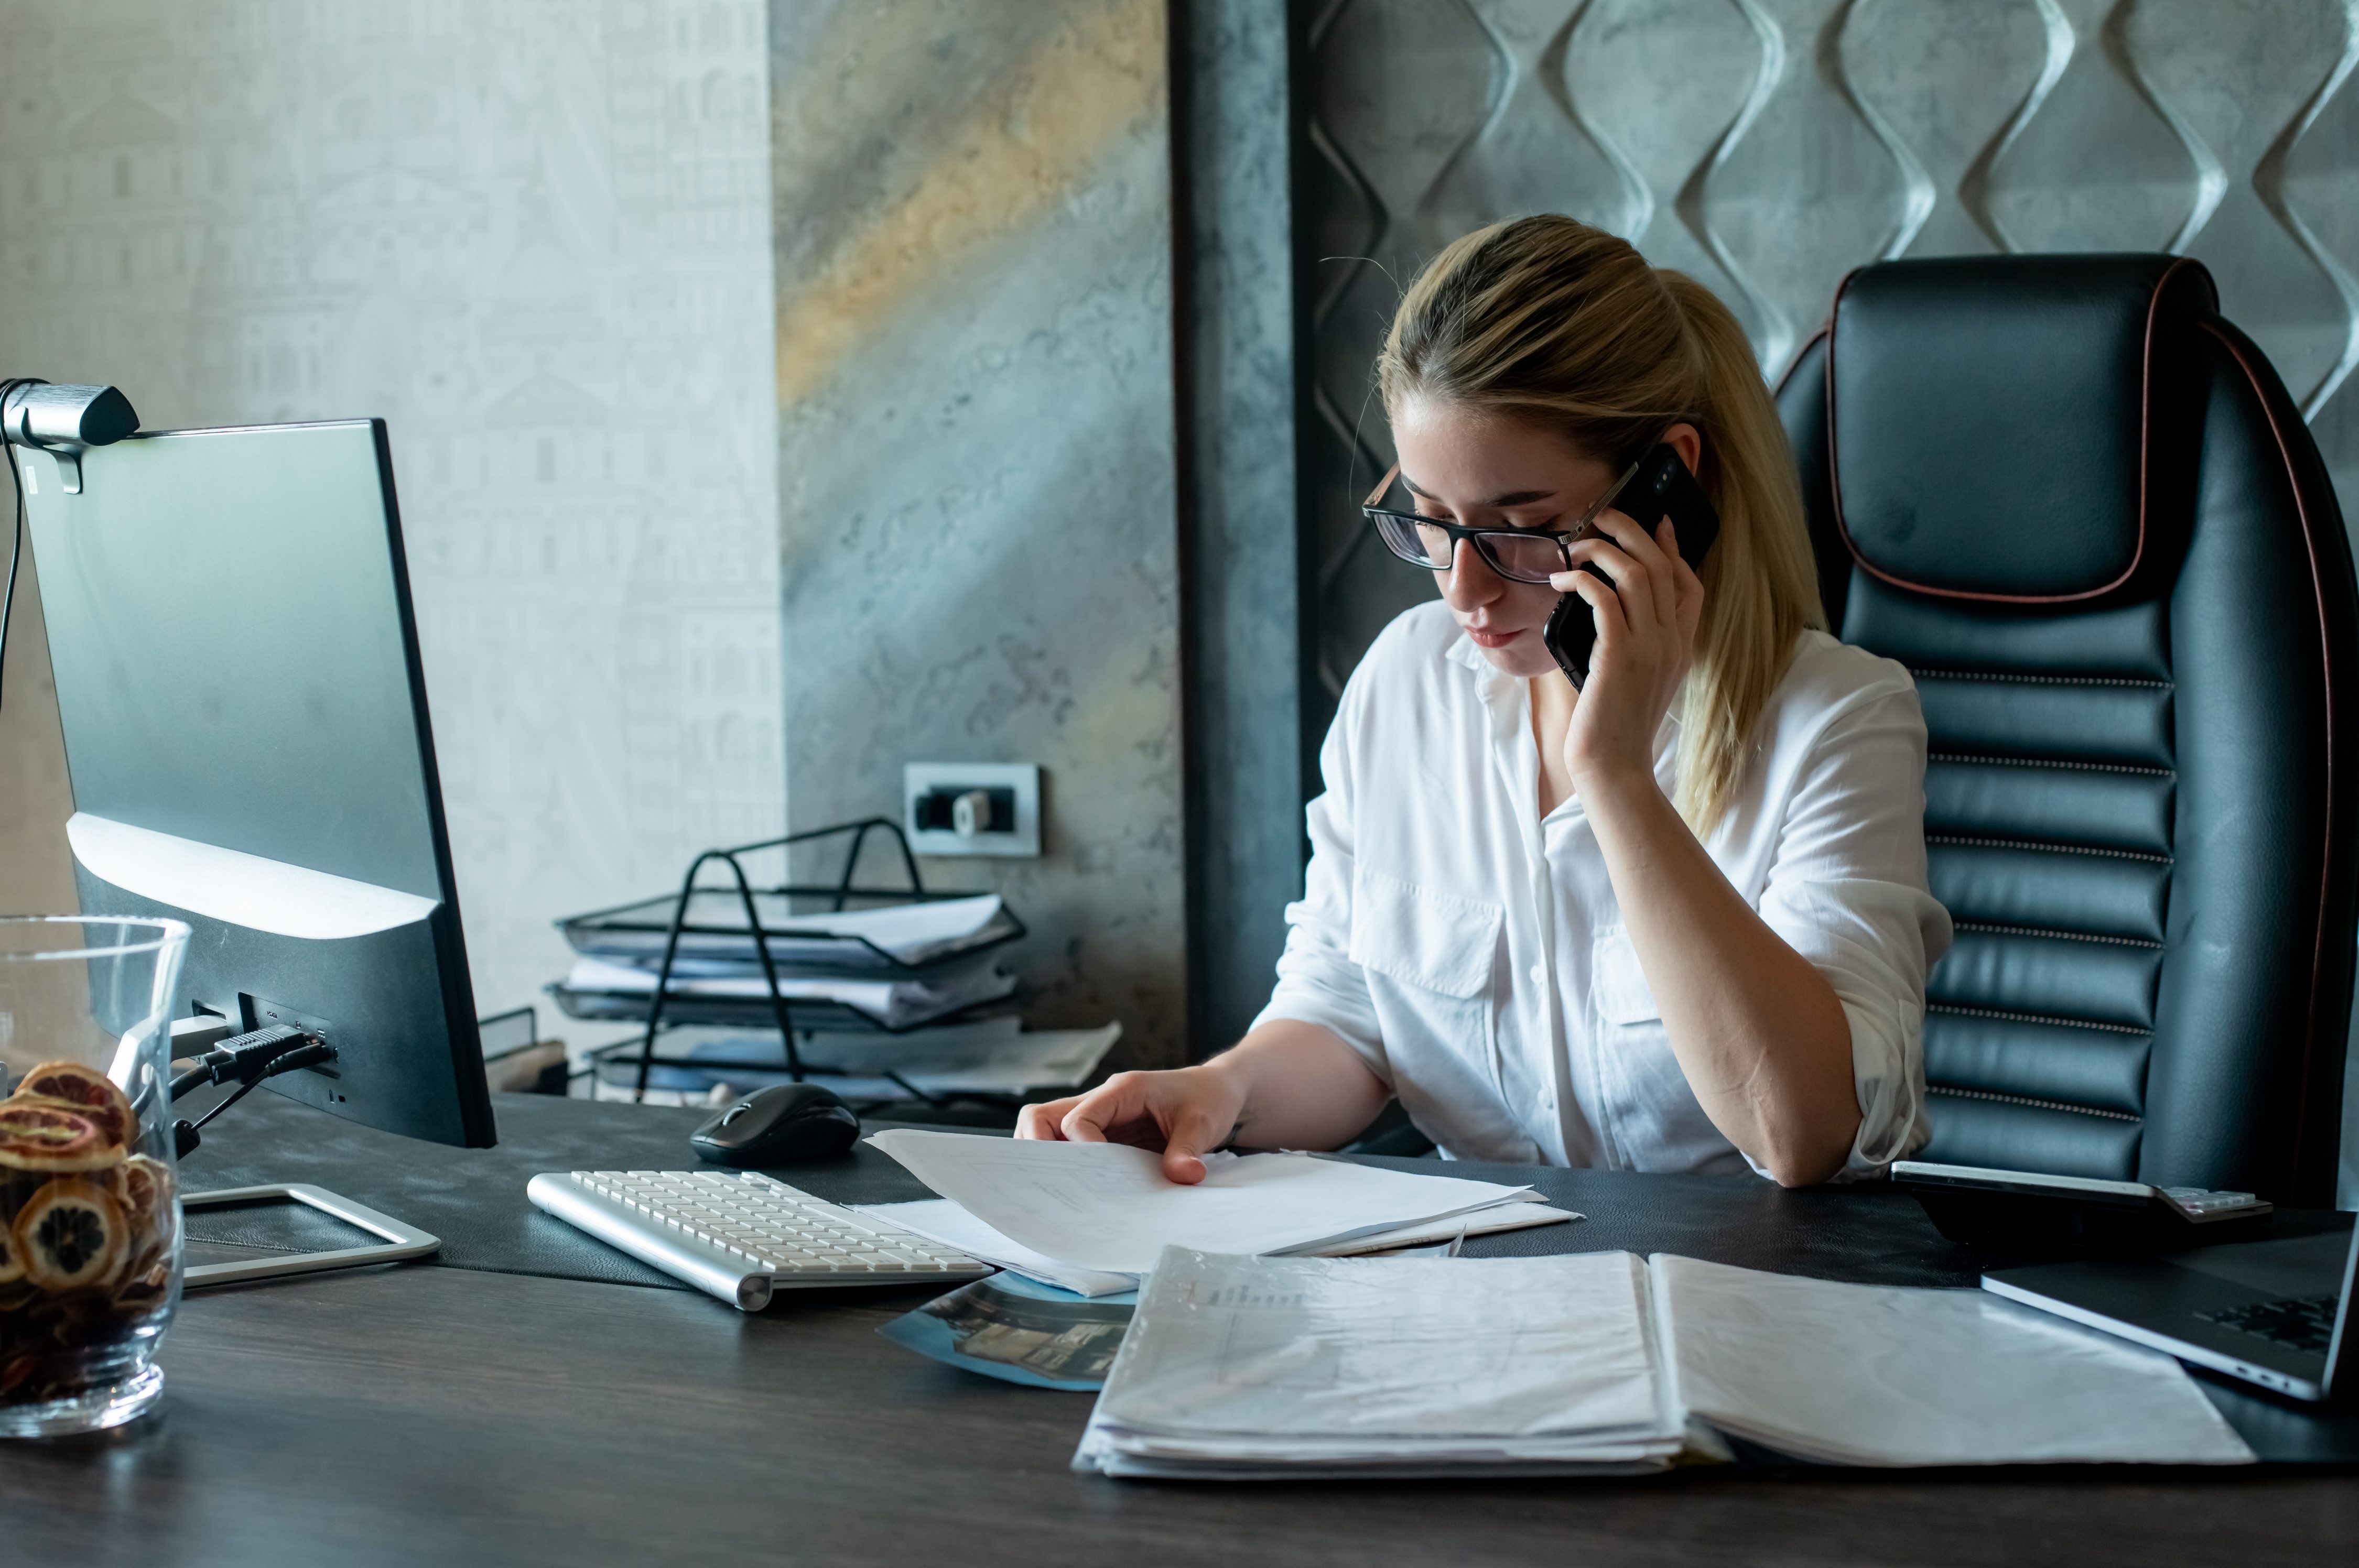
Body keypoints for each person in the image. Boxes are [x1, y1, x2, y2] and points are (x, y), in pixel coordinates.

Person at [1021, 214, 1951, 1187]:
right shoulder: (1407, 682)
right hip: (1480, 1301)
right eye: (1429, 519)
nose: (1463, 588)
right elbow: (1351, 1014)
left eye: (1523, 528)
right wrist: (1220, 1092)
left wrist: (1616, 775)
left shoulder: (1836, 721)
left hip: (1749, 1306)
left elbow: (1802, 1132)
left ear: (1666, 483)